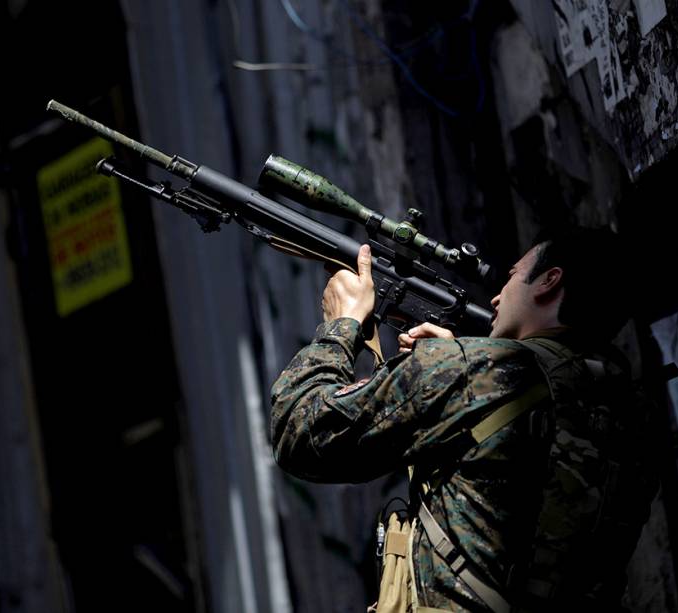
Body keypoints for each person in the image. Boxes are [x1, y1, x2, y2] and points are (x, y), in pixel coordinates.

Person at [270, 227, 657, 612]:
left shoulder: (477, 371)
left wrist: (343, 325)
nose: (496, 296)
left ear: (548, 282)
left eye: (512, 278)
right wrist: (452, 362)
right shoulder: (627, 418)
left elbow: (299, 432)